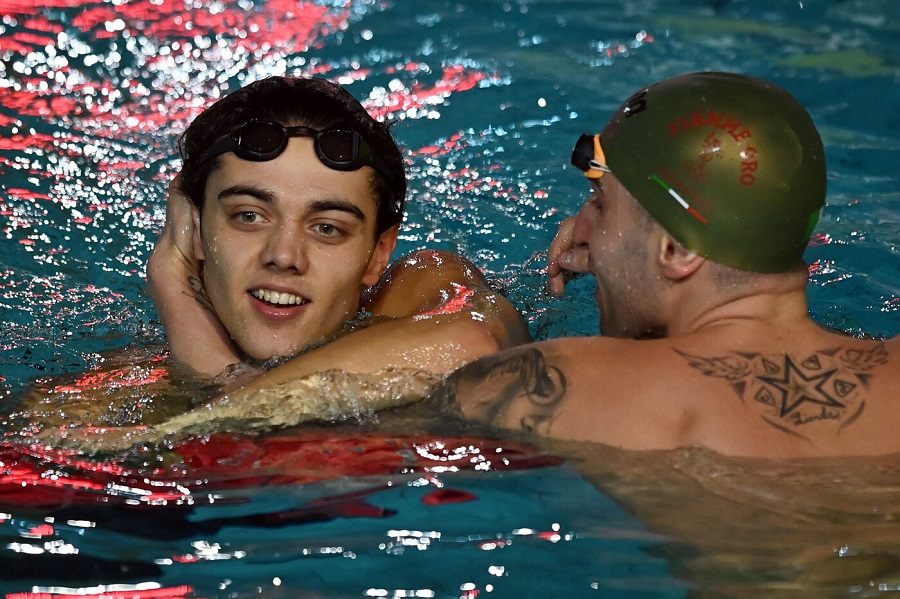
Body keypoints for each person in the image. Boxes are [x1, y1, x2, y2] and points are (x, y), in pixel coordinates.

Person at [431, 71, 900, 458]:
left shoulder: (552, 384)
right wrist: (627, 256)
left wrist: (506, 309)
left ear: (677, 250)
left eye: (600, 204)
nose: (580, 229)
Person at [31, 75, 527, 434]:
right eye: (249, 216)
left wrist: (183, 307)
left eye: (327, 228)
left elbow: (475, 340)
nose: (284, 256)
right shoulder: (120, 387)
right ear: (196, 230)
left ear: (378, 254)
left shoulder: (413, 294)